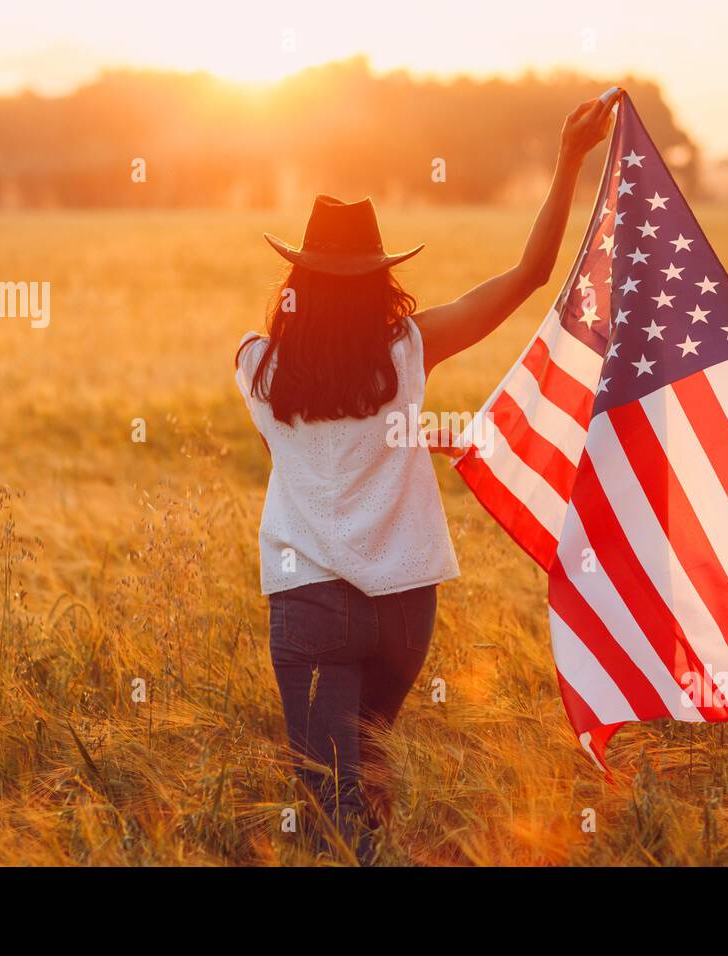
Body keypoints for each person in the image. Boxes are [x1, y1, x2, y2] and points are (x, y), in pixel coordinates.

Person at [234, 94, 616, 861]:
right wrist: (572, 156)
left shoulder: (256, 365)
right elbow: (532, 275)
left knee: (333, 801)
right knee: (367, 775)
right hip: (405, 611)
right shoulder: (412, 347)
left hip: (310, 607)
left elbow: (306, 413)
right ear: (380, 277)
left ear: (297, 279)